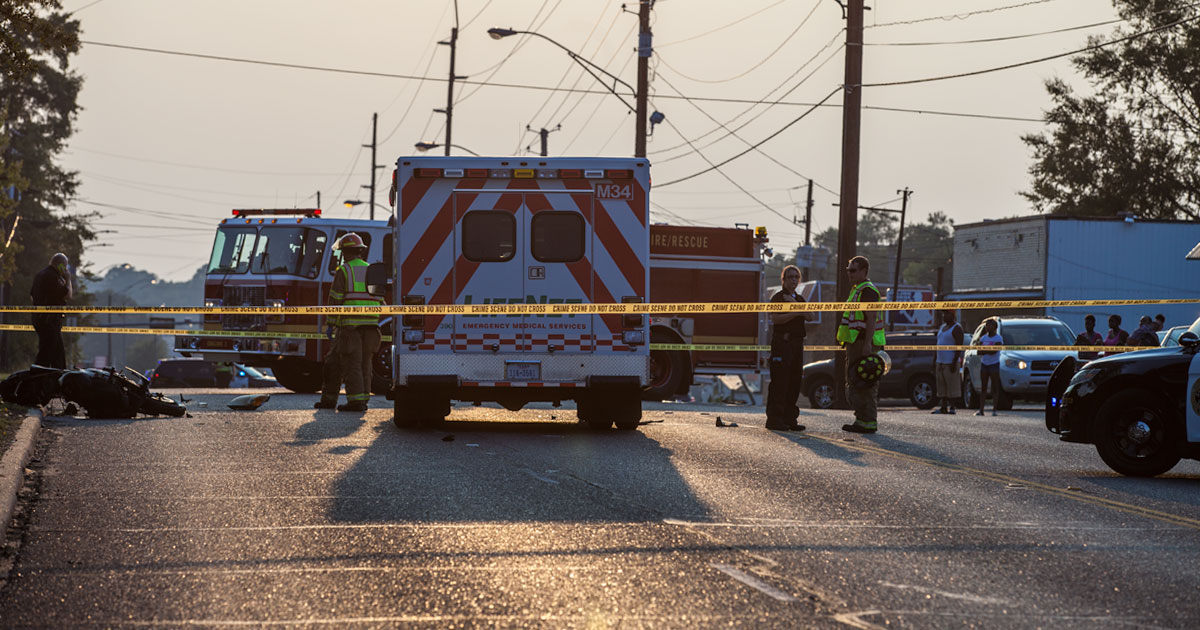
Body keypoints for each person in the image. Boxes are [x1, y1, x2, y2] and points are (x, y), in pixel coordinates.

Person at [321, 233, 381, 413]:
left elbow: (335, 300)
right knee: (365, 364)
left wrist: (330, 324)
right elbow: (379, 298)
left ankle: (355, 402)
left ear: (345, 252)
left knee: (349, 364)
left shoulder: (344, 271)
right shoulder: (371, 269)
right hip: (371, 328)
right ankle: (359, 400)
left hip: (350, 328)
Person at [837, 256, 886, 434]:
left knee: (866, 382)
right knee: (857, 382)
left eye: (853, 270)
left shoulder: (868, 291)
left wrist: (866, 345)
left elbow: (871, 319)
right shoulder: (857, 290)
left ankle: (868, 422)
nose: (849, 273)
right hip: (855, 342)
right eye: (848, 269)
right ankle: (861, 420)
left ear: (864, 270)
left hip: (863, 343)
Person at [765, 265, 811, 431]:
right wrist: (796, 311)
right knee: (780, 382)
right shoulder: (778, 298)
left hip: (797, 345)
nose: (793, 280)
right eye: (790, 277)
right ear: (783, 279)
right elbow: (776, 319)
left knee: (794, 382)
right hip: (782, 345)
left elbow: (811, 316)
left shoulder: (799, 299)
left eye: (796, 277)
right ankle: (775, 419)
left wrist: (798, 307)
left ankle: (790, 419)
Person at [30, 252, 73, 368]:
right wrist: (68, 279)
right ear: (61, 265)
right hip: (50, 320)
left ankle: (58, 375)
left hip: (38, 318)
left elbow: (31, 296)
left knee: (57, 352)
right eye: (65, 266)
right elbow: (68, 295)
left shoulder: (40, 275)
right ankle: (36, 378)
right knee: (47, 352)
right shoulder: (54, 277)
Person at [931, 309, 963, 415]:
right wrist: (935, 359)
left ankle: (952, 407)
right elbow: (938, 344)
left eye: (947, 314)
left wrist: (954, 361)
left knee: (952, 385)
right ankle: (943, 407)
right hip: (940, 361)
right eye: (944, 314)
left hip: (950, 362)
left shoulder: (956, 328)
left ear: (952, 315)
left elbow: (959, 346)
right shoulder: (942, 327)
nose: (944, 316)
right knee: (941, 386)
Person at [975, 318, 1003, 416]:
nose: (988, 327)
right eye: (987, 325)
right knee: (983, 387)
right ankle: (981, 409)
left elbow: (994, 350)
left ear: (994, 327)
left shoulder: (998, 338)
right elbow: (979, 351)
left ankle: (995, 409)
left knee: (994, 386)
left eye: (990, 325)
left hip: (994, 364)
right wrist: (987, 350)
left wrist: (985, 350)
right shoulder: (983, 338)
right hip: (984, 364)